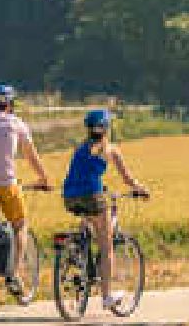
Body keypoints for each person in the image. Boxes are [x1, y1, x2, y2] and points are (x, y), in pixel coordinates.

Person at [59, 109, 150, 313]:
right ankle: (107, 296)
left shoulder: (80, 148)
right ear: (107, 128)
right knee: (106, 245)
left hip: (69, 196)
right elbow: (128, 180)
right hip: (92, 196)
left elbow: (82, 174)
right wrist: (140, 190)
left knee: (88, 219)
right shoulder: (110, 149)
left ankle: (78, 254)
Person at [0, 84, 52, 297]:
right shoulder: (16, 124)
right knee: (20, 225)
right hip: (5, 183)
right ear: (11, 104)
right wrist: (44, 179)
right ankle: (13, 274)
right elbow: (31, 156)